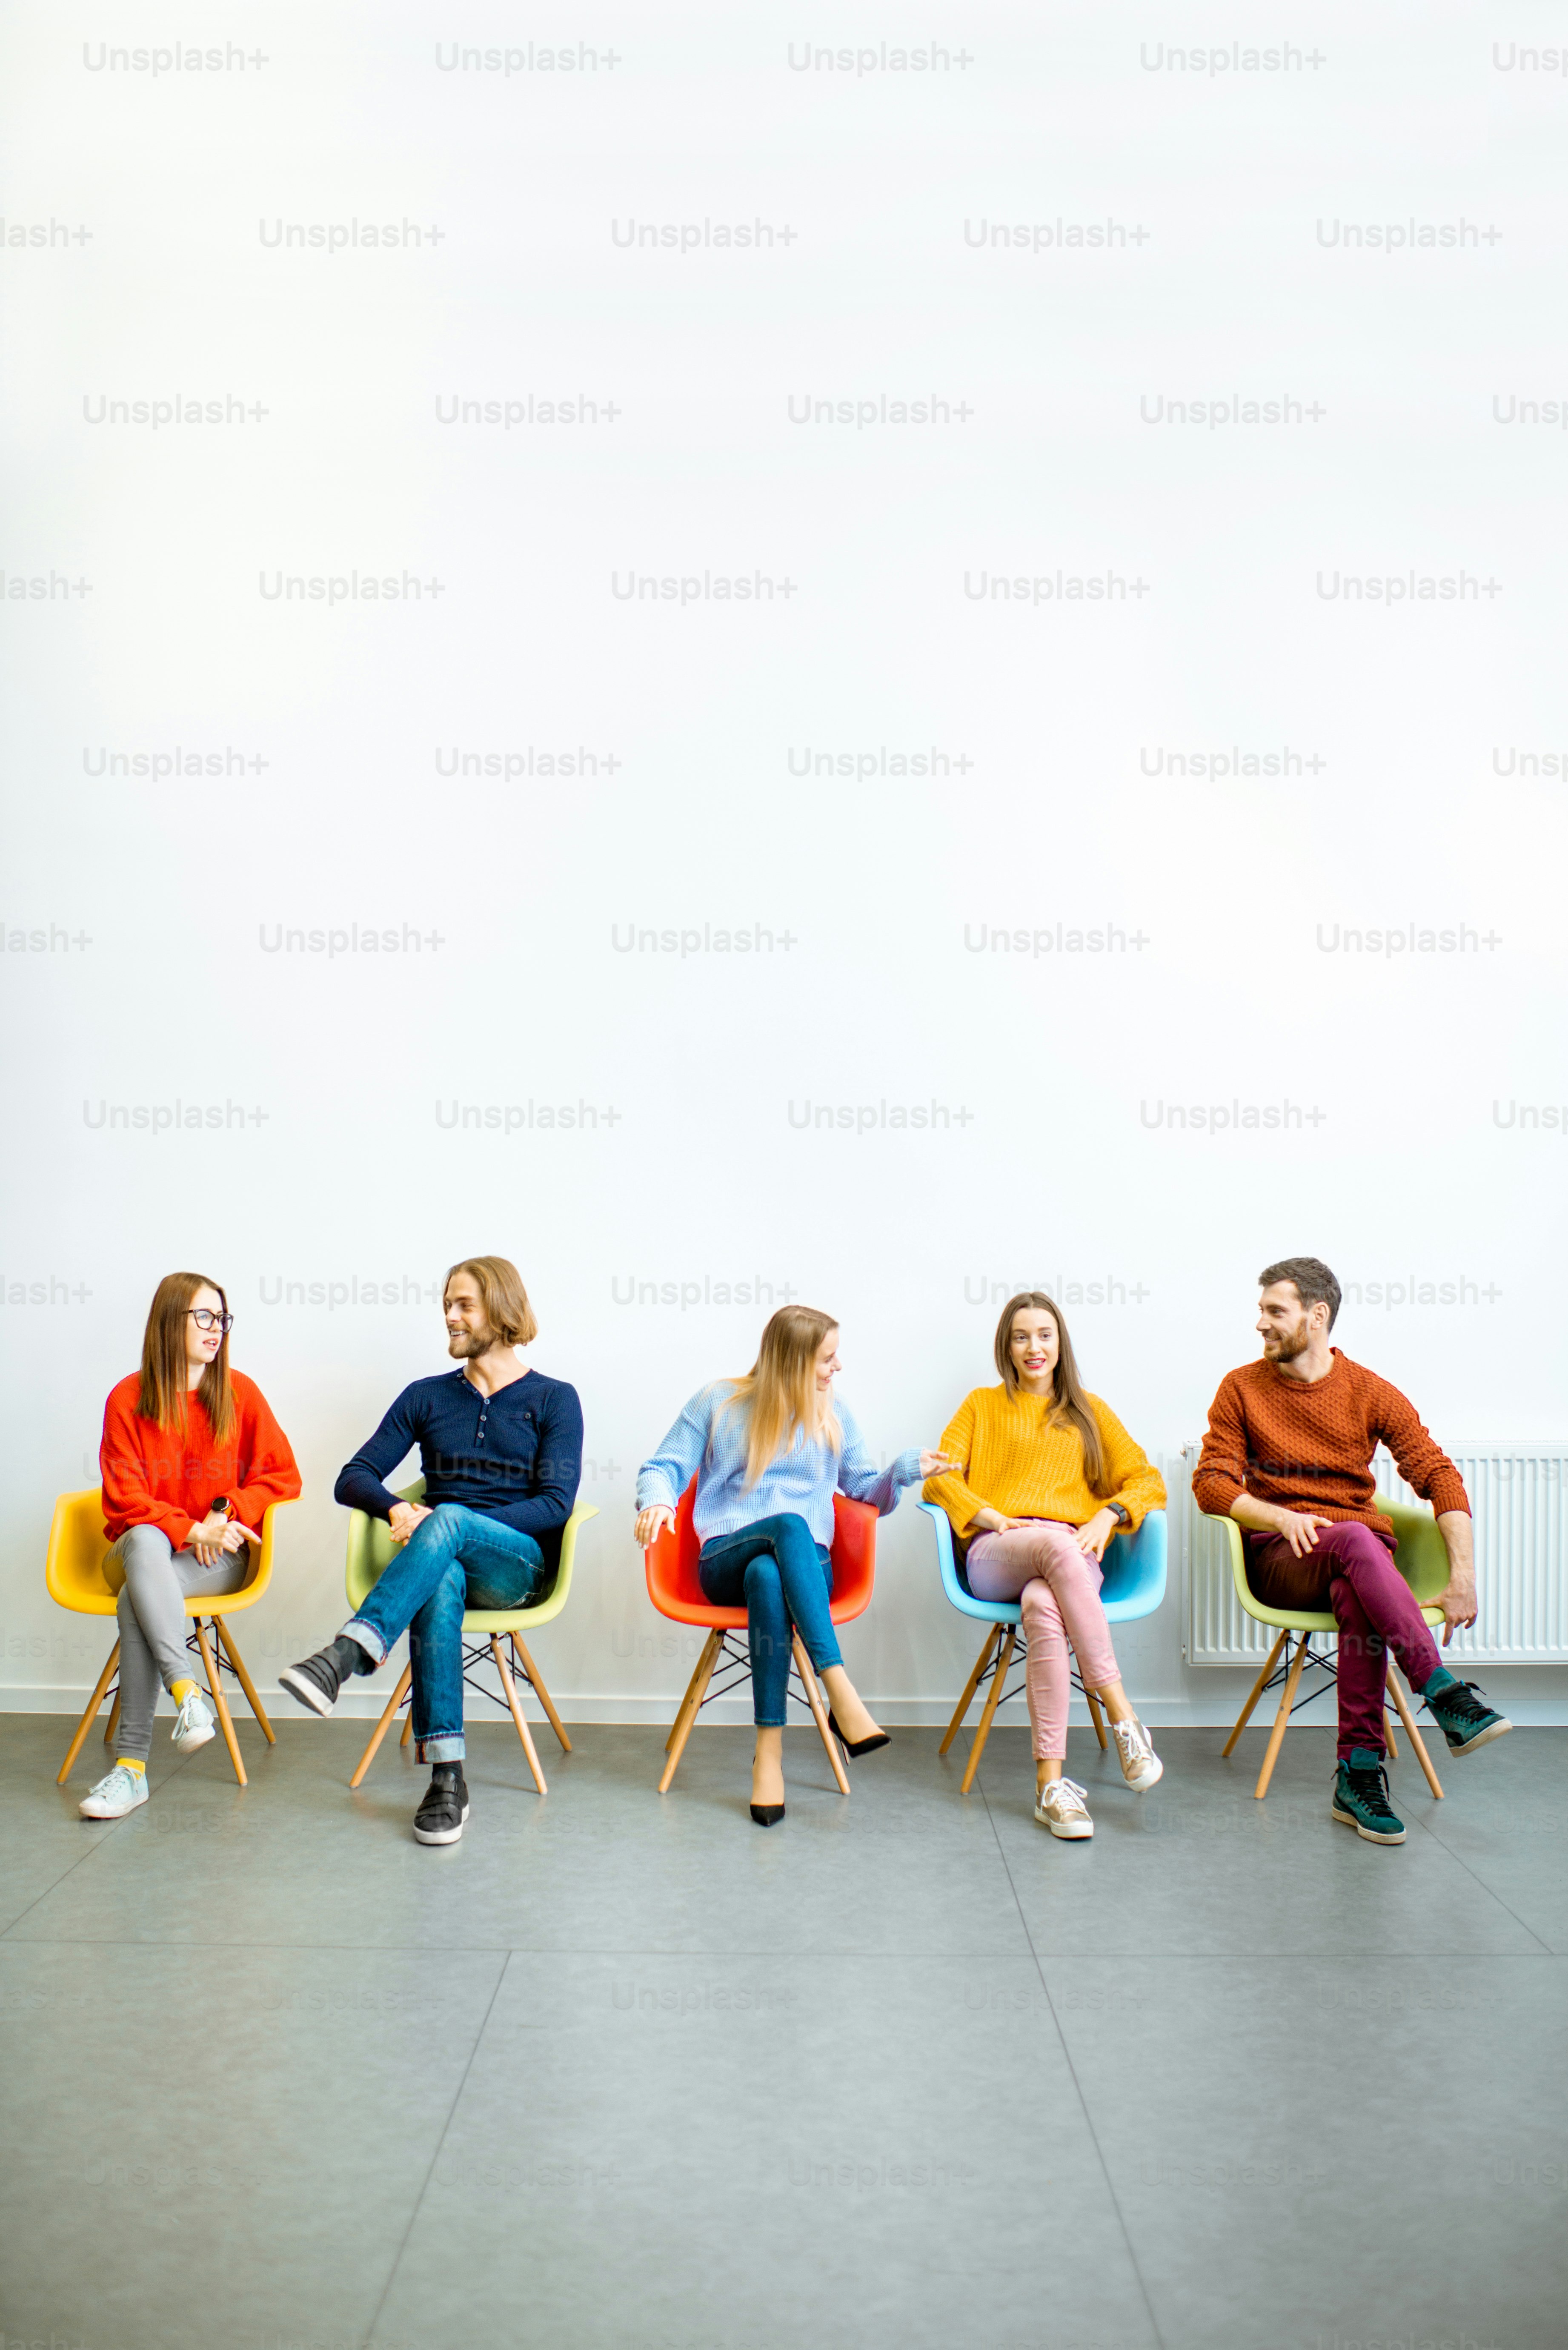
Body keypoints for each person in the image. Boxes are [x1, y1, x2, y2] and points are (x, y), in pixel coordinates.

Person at [1194, 1255, 1510, 1847]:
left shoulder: (1368, 1390)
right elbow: (1211, 1484)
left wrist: (1464, 1575)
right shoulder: (1241, 1388)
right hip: (1283, 1561)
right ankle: (1441, 1690)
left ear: (1317, 1316)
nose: (1260, 1323)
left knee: (1356, 1581)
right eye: (1261, 1311)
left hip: (1357, 1564)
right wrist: (1280, 1517)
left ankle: (1358, 1776)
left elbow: (1438, 1475)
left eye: (1274, 1311)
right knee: (1359, 1541)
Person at [281, 1257, 582, 1846]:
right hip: (440, 1558)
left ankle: (348, 1653)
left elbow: (555, 1505)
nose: (450, 1316)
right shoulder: (426, 1397)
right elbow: (353, 1477)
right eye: (447, 1305)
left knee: (448, 1520)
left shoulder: (554, 1398)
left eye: (464, 1305)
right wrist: (398, 1510)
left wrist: (454, 1522)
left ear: (502, 1310)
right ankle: (447, 1779)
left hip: (515, 1568)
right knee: (439, 1578)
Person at [635, 1304, 956, 1826]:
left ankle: (769, 1757)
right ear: (792, 1360)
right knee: (787, 1525)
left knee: (769, 1574)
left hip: (809, 1567)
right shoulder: (718, 1401)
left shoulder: (835, 1412)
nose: (838, 1367)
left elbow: (864, 1493)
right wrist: (657, 1502)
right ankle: (840, 1691)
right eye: (827, 1358)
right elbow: (662, 1466)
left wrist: (902, 1472)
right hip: (724, 1559)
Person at [924, 1292, 1166, 1839]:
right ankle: (1124, 1716)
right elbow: (939, 1476)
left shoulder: (1089, 1411)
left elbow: (1148, 1480)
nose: (1034, 1347)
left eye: (1044, 1335)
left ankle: (1050, 1788)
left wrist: (1109, 1515)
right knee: (1057, 1552)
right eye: (1021, 1337)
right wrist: (986, 1514)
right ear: (1006, 1347)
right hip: (998, 1551)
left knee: (1042, 1605)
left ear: (1060, 1343)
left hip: (1070, 1555)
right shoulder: (981, 1406)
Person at [80, 1272, 302, 1820]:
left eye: (222, 1318)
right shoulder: (128, 1398)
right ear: (168, 1321)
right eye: (203, 1316)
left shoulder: (239, 1392)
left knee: (137, 1599)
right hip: (139, 1551)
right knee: (145, 1539)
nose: (216, 1328)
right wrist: (189, 1529)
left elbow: (282, 1476)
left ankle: (131, 1770)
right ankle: (186, 1690)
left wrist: (225, 1511)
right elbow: (125, 1500)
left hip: (216, 1560)